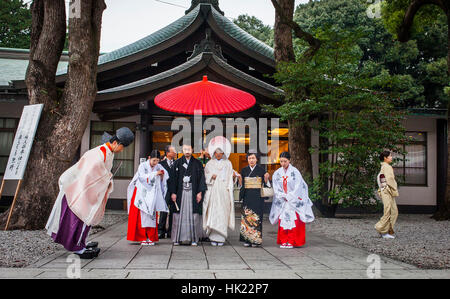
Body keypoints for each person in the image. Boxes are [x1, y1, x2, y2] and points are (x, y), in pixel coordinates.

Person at [45, 127, 134, 259]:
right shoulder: (97, 155)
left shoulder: (107, 152)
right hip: (78, 191)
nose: (122, 150)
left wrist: (106, 179)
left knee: (85, 219)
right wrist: (106, 179)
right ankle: (78, 247)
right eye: (123, 147)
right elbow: (89, 174)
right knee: (80, 218)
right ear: (116, 143)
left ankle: (81, 242)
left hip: (86, 191)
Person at [269, 152, 315, 249]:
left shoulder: (295, 172)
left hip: (292, 200)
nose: (283, 163)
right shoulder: (277, 173)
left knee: (293, 221)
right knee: (283, 221)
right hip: (283, 200)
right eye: (281, 161)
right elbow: (276, 187)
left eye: (285, 161)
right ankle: (284, 240)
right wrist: (282, 195)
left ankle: (292, 240)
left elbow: (299, 187)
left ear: (289, 160)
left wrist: (289, 196)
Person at [127, 150, 169, 246]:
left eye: (158, 161)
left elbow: (165, 175)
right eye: (154, 160)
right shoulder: (142, 166)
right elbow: (141, 177)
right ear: (149, 158)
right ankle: (142, 237)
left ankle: (150, 237)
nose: (156, 163)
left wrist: (162, 175)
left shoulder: (158, 166)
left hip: (152, 194)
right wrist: (155, 174)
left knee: (152, 216)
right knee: (142, 216)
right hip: (141, 194)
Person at [170, 144, 207, 246]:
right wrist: (173, 192)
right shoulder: (177, 163)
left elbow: (201, 179)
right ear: (182, 150)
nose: (187, 151)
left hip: (193, 191)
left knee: (193, 215)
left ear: (192, 150)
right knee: (178, 215)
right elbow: (173, 179)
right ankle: (177, 238)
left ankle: (194, 239)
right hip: (180, 193)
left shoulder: (198, 163)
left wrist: (200, 192)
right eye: (185, 149)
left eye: (189, 149)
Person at [203, 136, 236, 246]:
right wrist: (210, 176)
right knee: (213, 213)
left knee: (222, 213)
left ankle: (221, 237)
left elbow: (230, 177)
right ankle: (213, 236)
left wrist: (233, 178)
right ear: (213, 153)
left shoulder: (228, 163)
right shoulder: (209, 163)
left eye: (220, 152)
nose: (218, 154)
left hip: (223, 192)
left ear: (223, 153)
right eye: (216, 152)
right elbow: (205, 175)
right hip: (212, 192)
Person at [239, 151, 270, 247]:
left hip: (257, 197)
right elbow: (241, 185)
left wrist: (266, 179)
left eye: (253, 158)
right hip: (247, 196)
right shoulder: (244, 170)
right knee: (247, 218)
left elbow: (265, 185)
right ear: (247, 160)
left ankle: (256, 240)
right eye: (249, 158)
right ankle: (247, 239)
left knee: (257, 218)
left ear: (257, 159)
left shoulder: (261, 170)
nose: (251, 160)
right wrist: (239, 179)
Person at [375, 151, 399, 239]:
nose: (391, 157)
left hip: (385, 190)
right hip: (387, 190)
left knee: (392, 210)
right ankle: (382, 229)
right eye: (390, 156)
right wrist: (393, 189)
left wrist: (382, 189)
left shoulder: (384, 166)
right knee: (390, 210)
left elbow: (380, 177)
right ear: (385, 157)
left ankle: (384, 230)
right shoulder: (387, 167)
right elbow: (390, 179)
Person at [158, 145, 177, 239]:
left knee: (173, 211)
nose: (175, 153)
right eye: (173, 151)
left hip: (174, 190)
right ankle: (160, 231)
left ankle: (170, 231)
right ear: (168, 153)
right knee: (163, 210)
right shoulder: (161, 164)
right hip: (164, 190)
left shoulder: (177, 163)